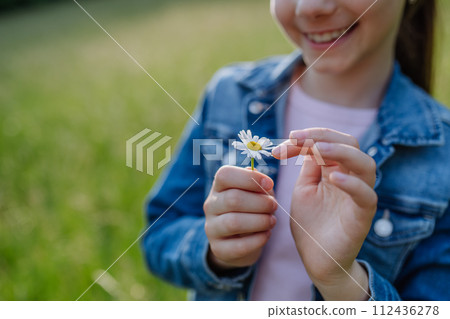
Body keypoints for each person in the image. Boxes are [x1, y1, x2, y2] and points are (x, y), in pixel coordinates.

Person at [141, 0, 450, 301]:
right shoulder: (230, 94)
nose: (310, 7)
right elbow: (159, 232)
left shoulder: (442, 152)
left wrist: (342, 281)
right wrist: (215, 251)